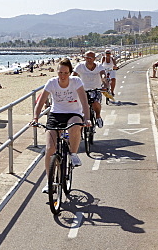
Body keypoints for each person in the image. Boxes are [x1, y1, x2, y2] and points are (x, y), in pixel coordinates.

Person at [31, 59, 90, 191]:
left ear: (70, 73)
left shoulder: (76, 82)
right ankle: (49, 182)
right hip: (55, 114)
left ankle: (73, 154)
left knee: (75, 126)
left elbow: (84, 102)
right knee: (50, 149)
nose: (63, 76)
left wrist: (87, 118)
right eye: (60, 73)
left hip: (73, 113)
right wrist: (35, 118)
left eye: (66, 73)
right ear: (57, 72)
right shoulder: (51, 83)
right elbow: (40, 102)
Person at [74, 52, 104, 126]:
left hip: (96, 89)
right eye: (87, 58)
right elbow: (73, 76)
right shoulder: (80, 66)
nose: (88, 60)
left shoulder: (98, 66)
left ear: (94, 58)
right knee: (81, 106)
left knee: (95, 102)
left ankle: (98, 116)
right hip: (83, 90)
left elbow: (103, 75)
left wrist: (105, 84)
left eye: (90, 58)